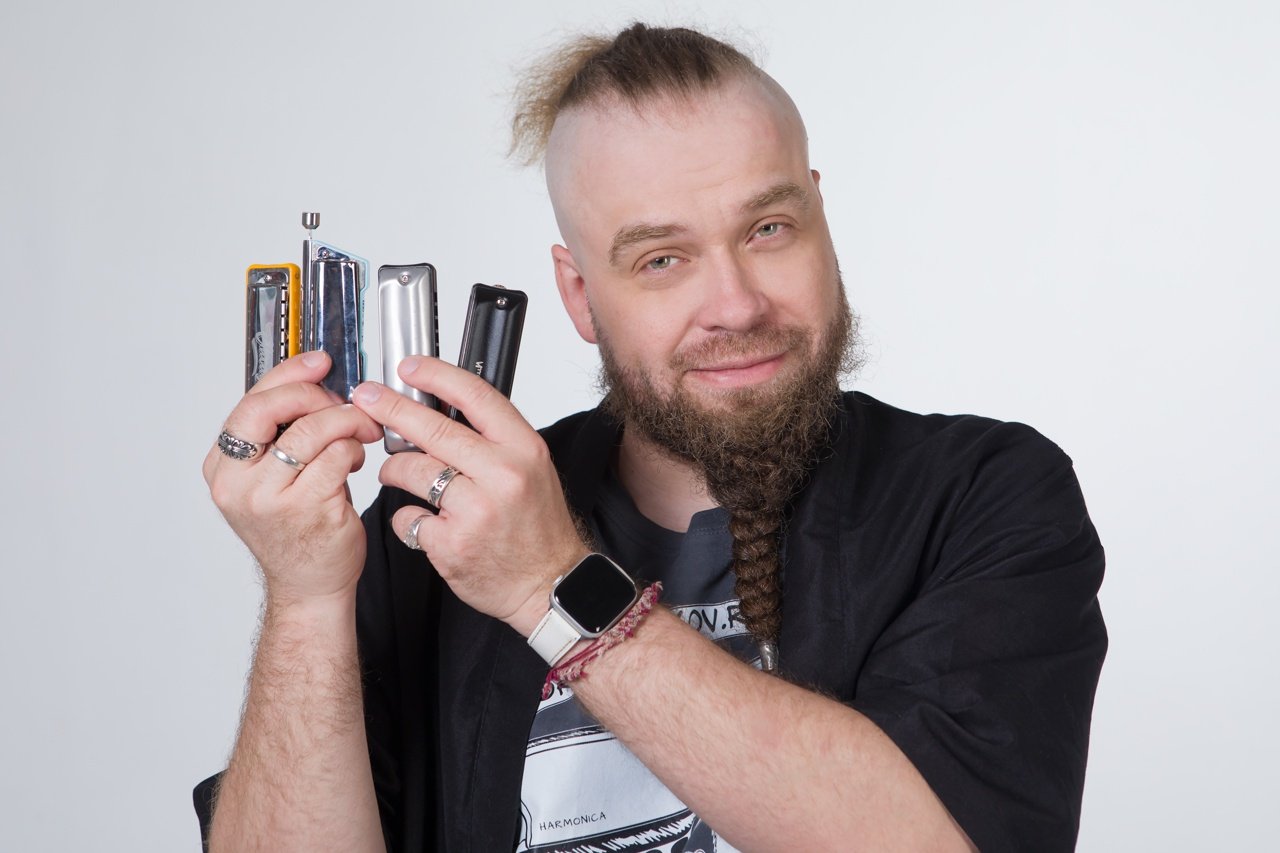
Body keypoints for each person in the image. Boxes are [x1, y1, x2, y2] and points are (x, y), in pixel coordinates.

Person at [197, 23, 1107, 853]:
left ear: (822, 220)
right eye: (662, 259)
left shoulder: (986, 497)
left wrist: (549, 585)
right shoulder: (440, 525)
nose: (736, 304)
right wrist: (306, 598)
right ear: (580, 295)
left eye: (769, 228)